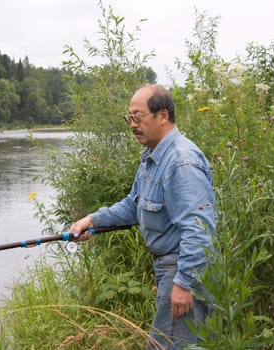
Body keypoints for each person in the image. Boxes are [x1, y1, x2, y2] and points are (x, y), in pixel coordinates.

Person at [69, 84, 217, 349]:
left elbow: (199, 229)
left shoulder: (181, 162)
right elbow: (133, 206)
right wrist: (92, 220)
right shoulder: (152, 157)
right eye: (129, 117)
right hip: (169, 270)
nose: (132, 124)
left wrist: (184, 284)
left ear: (162, 115)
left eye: (138, 117)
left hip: (182, 270)